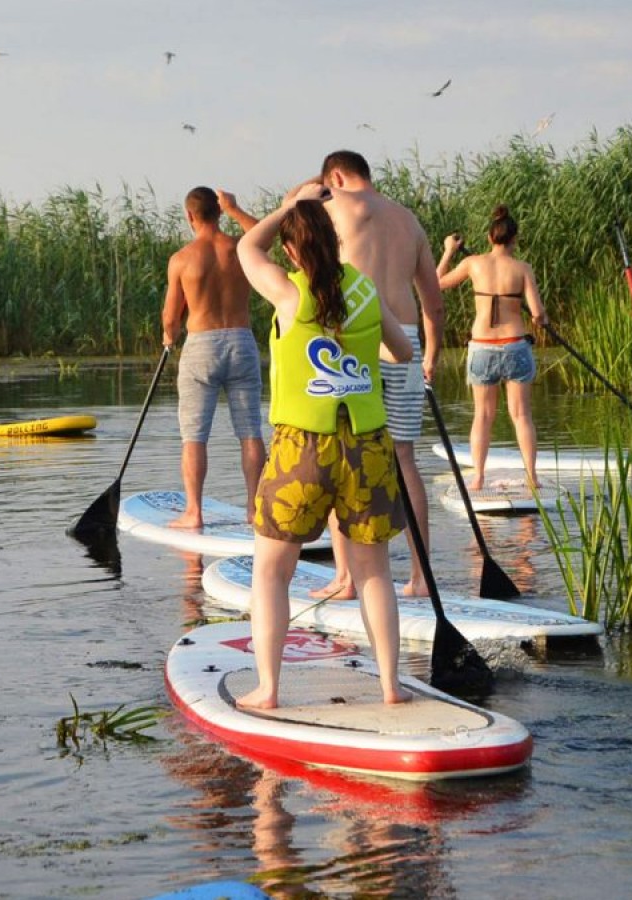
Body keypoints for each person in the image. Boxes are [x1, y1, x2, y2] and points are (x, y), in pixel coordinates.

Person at [233, 180, 417, 710]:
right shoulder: (363, 288)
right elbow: (403, 352)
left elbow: (247, 246)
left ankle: (268, 690)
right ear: (335, 242)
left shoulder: (289, 292)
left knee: (272, 571)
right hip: (366, 446)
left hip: (301, 449)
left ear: (292, 249)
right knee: (374, 572)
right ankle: (390, 686)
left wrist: (291, 205)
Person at [311, 150, 445, 600]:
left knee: (344, 454)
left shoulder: (334, 208)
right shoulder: (410, 222)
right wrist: (432, 355)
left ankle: (347, 579)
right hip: (408, 337)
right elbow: (435, 303)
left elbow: (292, 228)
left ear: (335, 176)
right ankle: (422, 577)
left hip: (359, 337)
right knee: (404, 458)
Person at [160, 187, 266, 529]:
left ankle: (194, 511)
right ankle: (254, 508)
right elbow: (267, 235)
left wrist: (169, 335)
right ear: (219, 212)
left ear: (190, 216)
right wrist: (236, 209)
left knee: (194, 435)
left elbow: (170, 316)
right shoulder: (241, 248)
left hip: (201, 344)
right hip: (241, 340)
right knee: (250, 430)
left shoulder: (182, 258)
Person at [436, 206, 548, 490]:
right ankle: (532, 477)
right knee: (521, 415)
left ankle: (478, 477)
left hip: (483, 347)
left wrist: (449, 251)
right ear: (515, 239)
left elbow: (436, 283)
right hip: (515, 346)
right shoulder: (523, 268)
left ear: (489, 237)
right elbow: (537, 313)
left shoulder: (473, 263)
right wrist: (541, 319)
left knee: (482, 416)